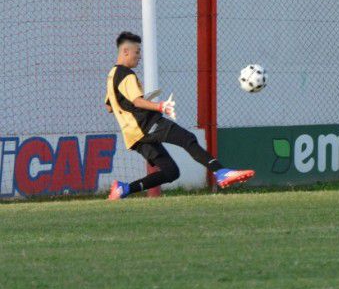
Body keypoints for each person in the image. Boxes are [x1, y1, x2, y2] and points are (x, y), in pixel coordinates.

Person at [105, 32, 255, 200]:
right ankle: (221, 172)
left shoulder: (111, 76)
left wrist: (134, 104)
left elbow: (110, 106)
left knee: (171, 172)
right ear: (125, 51)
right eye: (137, 52)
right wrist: (159, 106)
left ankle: (123, 189)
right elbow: (137, 102)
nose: (139, 56)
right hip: (145, 125)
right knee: (187, 138)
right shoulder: (126, 74)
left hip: (133, 137)